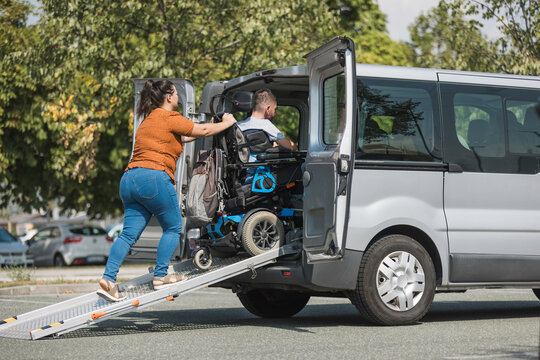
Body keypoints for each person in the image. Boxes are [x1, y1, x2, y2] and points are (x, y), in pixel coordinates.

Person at [97, 79, 237, 302]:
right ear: (170, 97)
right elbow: (201, 129)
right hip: (154, 177)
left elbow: (187, 135)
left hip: (129, 180)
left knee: (128, 235)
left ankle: (108, 279)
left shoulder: (149, 120)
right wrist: (227, 123)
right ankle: (161, 276)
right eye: (175, 94)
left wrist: (210, 126)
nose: (178, 98)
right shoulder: (170, 116)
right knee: (172, 227)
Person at [237, 88, 297, 164]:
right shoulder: (266, 125)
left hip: (243, 170)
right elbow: (291, 147)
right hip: (262, 171)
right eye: (275, 109)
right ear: (268, 109)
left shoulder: (238, 126)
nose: (275, 112)